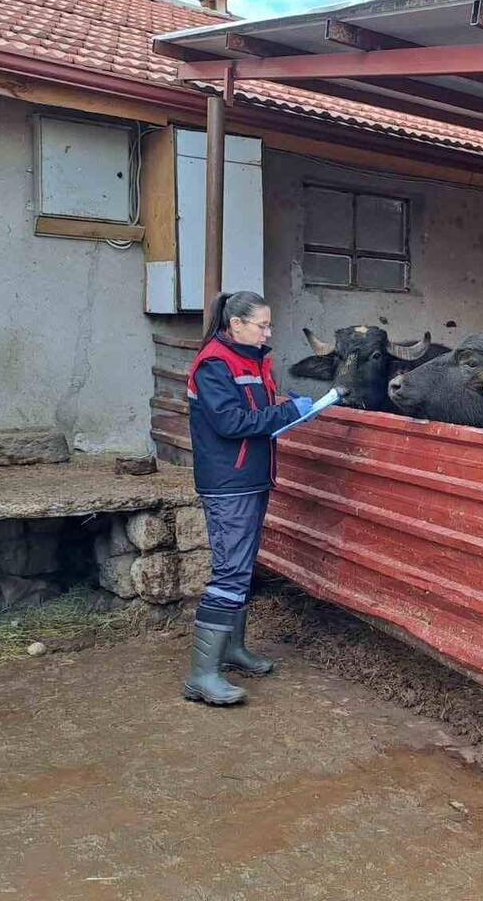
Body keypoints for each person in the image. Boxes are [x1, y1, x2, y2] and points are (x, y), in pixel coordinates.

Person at [182, 290, 313, 706]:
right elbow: (231, 421)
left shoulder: (253, 361)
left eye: (268, 324)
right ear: (236, 324)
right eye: (262, 325)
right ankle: (202, 675)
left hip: (253, 477)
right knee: (228, 574)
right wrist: (290, 413)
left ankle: (233, 651)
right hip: (229, 482)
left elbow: (258, 408)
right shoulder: (214, 364)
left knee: (242, 569)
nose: (268, 332)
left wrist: (285, 404)